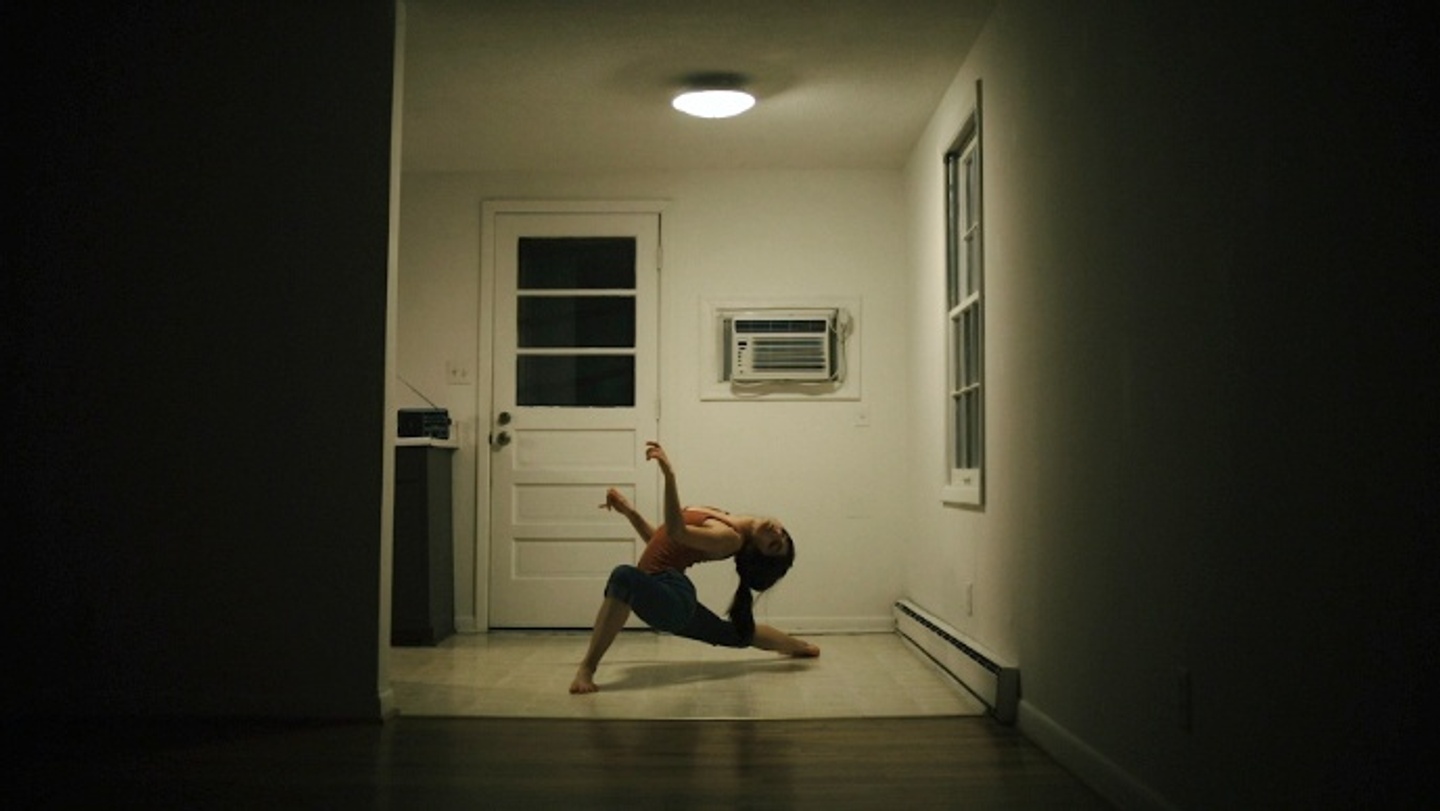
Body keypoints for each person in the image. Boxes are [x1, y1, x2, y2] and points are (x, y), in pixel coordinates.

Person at [569, 441, 820, 694]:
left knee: (623, 576)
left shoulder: (730, 538)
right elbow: (661, 541)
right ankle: (800, 646)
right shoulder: (724, 518)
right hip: (664, 594)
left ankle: (586, 669)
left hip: (672, 593)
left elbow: (677, 531)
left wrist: (669, 475)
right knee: (733, 633)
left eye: (773, 545)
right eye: (783, 535)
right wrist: (629, 512)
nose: (777, 533)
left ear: (756, 551)